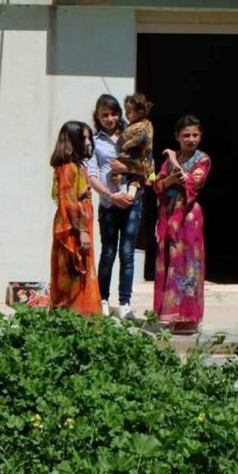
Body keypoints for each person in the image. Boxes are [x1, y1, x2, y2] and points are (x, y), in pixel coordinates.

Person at [153, 115, 211, 334]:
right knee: (170, 262)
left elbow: (192, 183)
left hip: (188, 217)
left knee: (187, 263)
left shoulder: (202, 159)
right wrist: (169, 180)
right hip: (169, 214)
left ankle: (188, 316)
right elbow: (158, 185)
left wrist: (174, 166)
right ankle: (171, 315)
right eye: (186, 135)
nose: (191, 139)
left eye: (195, 135)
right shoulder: (170, 159)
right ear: (177, 137)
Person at [86, 94, 141, 320]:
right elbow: (91, 175)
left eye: (114, 113)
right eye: (105, 115)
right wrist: (110, 195)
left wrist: (127, 168)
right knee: (108, 253)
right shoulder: (94, 142)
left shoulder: (133, 135)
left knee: (127, 253)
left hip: (131, 201)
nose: (110, 118)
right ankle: (103, 299)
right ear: (98, 118)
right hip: (109, 203)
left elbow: (148, 166)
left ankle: (125, 303)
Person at [50, 121, 103, 318]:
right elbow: (69, 201)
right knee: (71, 272)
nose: (89, 142)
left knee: (81, 273)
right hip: (71, 227)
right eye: (84, 138)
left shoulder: (78, 165)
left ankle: (80, 318)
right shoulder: (67, 167)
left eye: (89, 138)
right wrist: (82, 231)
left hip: (81, 223)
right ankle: (69, 319)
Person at [111, 93, 155, 199]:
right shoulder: (132, 124)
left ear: (140, 112)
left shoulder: (144, 125)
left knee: (122, 169)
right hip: (133, 155)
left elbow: (142, 139)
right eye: (125, 111)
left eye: (129, 112)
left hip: (137, 155)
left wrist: (127, 145)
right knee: (127, 174)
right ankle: (125, 191)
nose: (126, 114)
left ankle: (130, 190)